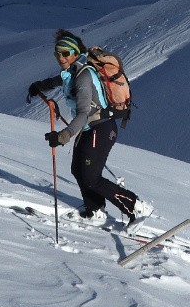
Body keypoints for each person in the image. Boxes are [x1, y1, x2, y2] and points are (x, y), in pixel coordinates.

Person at [27, 29, 153, 227]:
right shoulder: (72, 72)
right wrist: (39, 86)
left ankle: (136, 206)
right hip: (90, 128)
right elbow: (57, 80)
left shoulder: (83, 76)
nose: (61, 57)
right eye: (57, 53)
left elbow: (83, 112)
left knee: (91, 177)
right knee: (78, 170)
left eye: (65, 53)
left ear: (75, 53)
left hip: (101, 128)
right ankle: (95, 209)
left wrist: (63, 136)